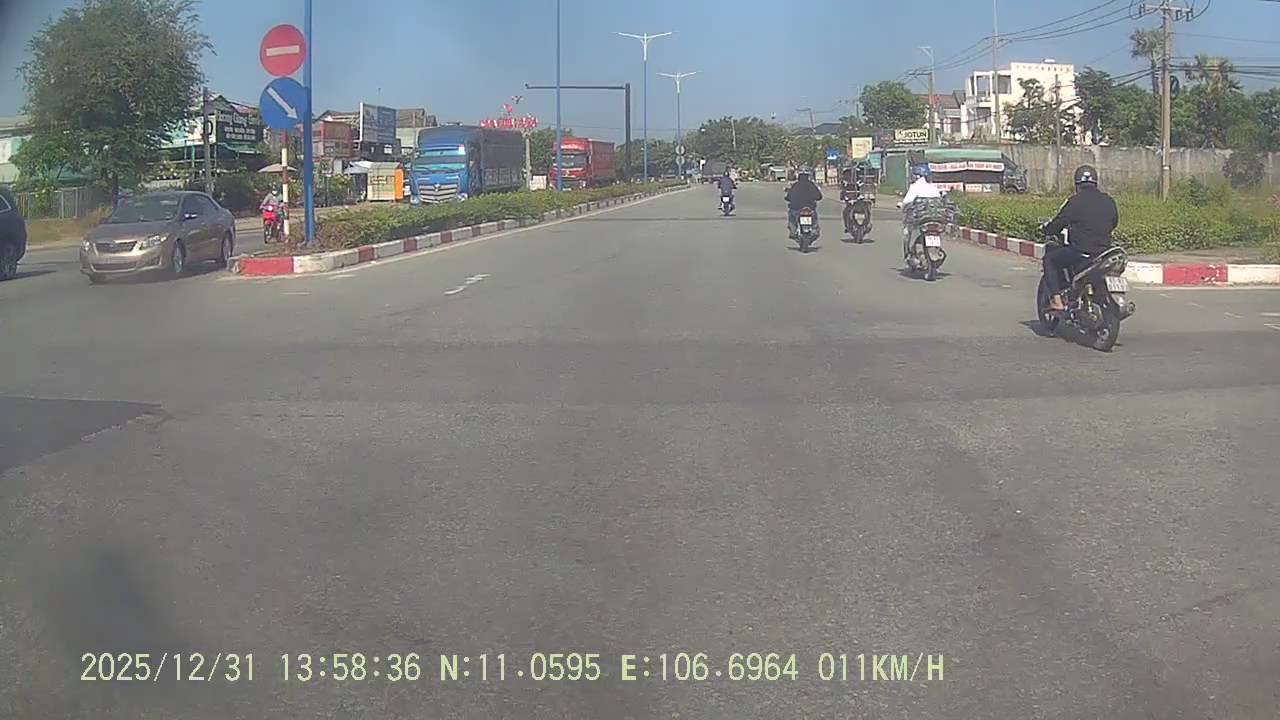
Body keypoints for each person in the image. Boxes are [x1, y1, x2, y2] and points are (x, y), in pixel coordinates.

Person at [1040, 165, 1118, 311]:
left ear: (1077, 185)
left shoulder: (1074, 201)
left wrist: (1047, 230)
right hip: (1103, 253)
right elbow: (1114, 223)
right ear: (1096, 182)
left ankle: (1057, 301)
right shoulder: (1109, 200)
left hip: (1080, 252)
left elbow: (1059, 222)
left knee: (1049, 260)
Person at [785, 166, 823, 237]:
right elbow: (819, 196)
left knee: (792, 217)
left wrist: (788, 198)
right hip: (810, 208)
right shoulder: (811, 185)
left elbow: (788, 196)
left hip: (796, 208)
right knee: (814, 218)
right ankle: (814, 229)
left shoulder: (795, 185)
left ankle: (793, 230)